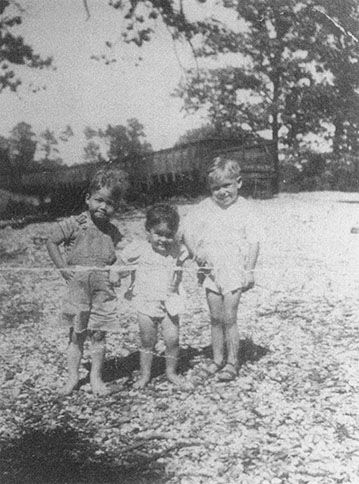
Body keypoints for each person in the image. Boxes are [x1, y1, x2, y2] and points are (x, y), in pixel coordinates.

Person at [47, 169, 127, 396]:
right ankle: (73, 377)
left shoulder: (112, 231)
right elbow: (51, 241)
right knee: (76, 333)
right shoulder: (75, 223)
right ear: (87, 199)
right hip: (79, 289)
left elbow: (121, 256)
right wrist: (63, 268)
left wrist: (116, 271)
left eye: (110, 204)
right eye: (99, 200)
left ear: (116, 207)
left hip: (102, 290)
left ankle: (96, 378)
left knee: (99, 333)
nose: (103, 207)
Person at [182, 156, 262, 381]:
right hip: (210, 270)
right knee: (215, 317)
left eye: (226, 185)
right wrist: (196, 254)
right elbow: (186, 230)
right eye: (215, 188)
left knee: (230, 317)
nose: (222, 192)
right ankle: (217, 359)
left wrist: (249, 270)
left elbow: (255, 241)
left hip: (234, 270)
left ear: (238, 182)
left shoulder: (245, 208)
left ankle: (233, 361)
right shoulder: (204, 208)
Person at [112, 204, 188, 389]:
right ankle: (145, 374)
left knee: (172, 339)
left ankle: (171, 372)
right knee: (148, 341)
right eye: (159, 234)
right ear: (148, 231)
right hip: (145, 302)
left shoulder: (178, 250)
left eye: (169, 235)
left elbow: (194, 252)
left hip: (169, 301)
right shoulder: (140, 249)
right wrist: (115, 274)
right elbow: (121, 263)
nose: (164, 239)